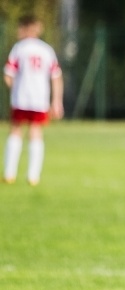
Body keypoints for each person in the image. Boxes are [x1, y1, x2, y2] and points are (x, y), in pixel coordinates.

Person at [3, 14, 63, 186]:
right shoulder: (46, 50)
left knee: (15, 131)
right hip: (40, 99)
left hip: (21, 98)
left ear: (25, 28)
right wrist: (56, 101)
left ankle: (9, 173)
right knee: (36, 132)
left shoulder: (19, 48)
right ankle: (33, 176)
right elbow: (56, 77)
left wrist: (15, 89)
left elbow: (8, 75)